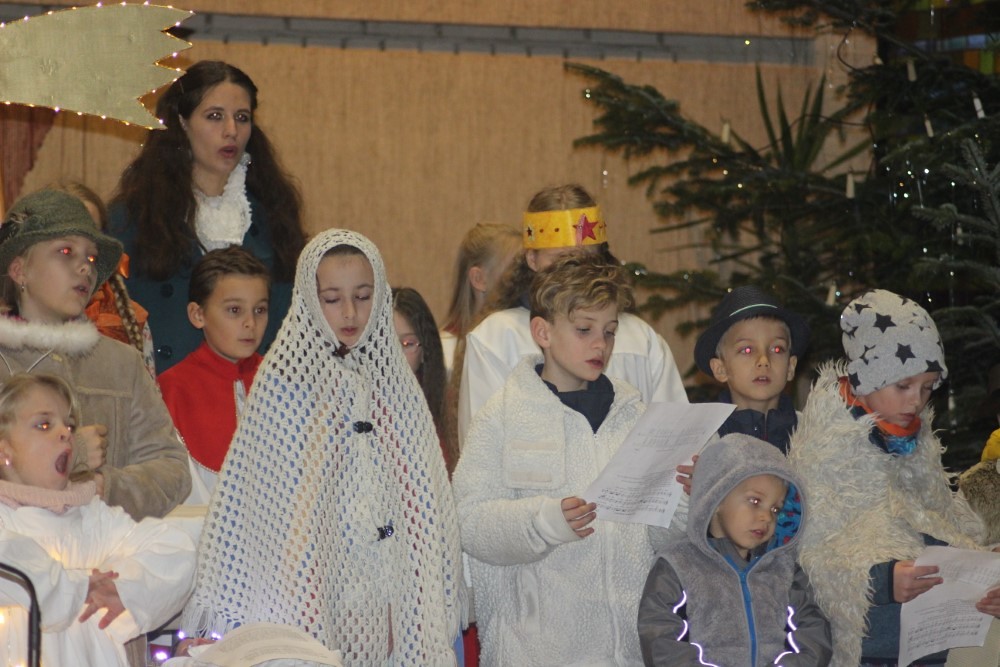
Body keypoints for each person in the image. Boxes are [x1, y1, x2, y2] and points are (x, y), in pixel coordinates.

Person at [182, 229, 465, 666]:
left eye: (363, 296)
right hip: (312, 587)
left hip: (391, 591)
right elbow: (261, 508)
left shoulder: (397, 386)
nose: (350, 312)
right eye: (332, 299)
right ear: (309, 300)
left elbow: (422, 497)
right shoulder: (282, 384)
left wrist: (410, 588)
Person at [453, 252, 653, 665]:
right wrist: (542, 523)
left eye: (610, 332)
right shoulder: (503, 415)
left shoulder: (635, 415)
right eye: (584, 329)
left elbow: (658, 536)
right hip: (536, 651)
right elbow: (469, 523)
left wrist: (683, 500)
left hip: (628, 654)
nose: (600, 344)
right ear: (542, 331)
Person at [788, 289, 1000, 666]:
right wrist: (884, 581)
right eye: (903, 385)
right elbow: (810, 558)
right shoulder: (824, 449)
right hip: (873, 644)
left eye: (927, 388)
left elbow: (939, 522)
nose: (916, 401)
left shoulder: (915, 445)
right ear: (866, 380)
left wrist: (983, 563)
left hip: (933, 635)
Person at [0, 188, 191, 521]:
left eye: (90, 258)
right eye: (65, 251)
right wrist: (69, 455)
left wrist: (103, 487)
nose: (84, 268)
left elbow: (173, 470)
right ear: (19, 270)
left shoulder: (121, 363)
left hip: (105, 548)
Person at [109, 60, 306, 374]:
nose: (231, 131)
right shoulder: (134, 218)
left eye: (241, 118)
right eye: (215, 116)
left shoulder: (275, 216)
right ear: (182, 123)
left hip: (261, 391)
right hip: (163, 389)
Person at [457, 183, 687, 447]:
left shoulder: (642, 340)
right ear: (532, 260)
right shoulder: (495, 339)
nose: (574, 270)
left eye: (585, 258)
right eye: (561, 259)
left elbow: (675, 438)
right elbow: (480, 449)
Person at [0, 373, 195, 666]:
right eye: (44, 425)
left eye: (69, 425)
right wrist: (80, 587)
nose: (66, 433)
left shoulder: (93, 518)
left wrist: (123, 589)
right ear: (4, 452)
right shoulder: (5, 519)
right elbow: (14, 565)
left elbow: (175, 550)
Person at [638, 433, 831, 666]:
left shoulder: (784, 570)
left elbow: (813, 634)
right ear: (717, 497)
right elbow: (660, 639)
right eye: (755, 501)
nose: (766, 517)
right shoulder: (678, 564)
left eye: (775, 509)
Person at [158, 246, 270, 501]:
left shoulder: (283, 382)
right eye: (234, 310)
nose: (250, 323)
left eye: (260, 310)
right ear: (198, 315)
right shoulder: (171, 389)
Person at [53, 181, 156, 377]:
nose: (81, 261)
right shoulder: (9, 324)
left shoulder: (130, 319)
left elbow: (147, 394)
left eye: (91, 239)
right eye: (67, 247)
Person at [440, 222, 521, 377]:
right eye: (513, 271)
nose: (522, 279)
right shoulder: (445, 354)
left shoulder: (524, 338)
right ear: (478, 279)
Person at [392, 286, 452, 471]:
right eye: (386, 342)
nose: (395, 355)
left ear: (425, 349)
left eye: (407, 343)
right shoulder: (357, 406)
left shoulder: (446, 406)